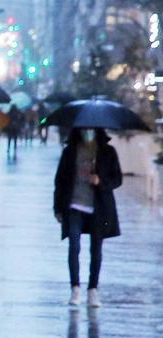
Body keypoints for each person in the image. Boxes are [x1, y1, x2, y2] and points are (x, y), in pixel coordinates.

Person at [54, 127, 122, 308]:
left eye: (91, 129)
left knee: (96, 250)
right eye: (84, 129)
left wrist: (100, 181)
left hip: (99, 208)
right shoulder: (70, 151)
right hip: (74, 205)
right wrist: (58, 208)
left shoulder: (108, 152)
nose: (88, 132)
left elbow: (117, 179)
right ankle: (75, 287)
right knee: (74, 245)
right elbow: (60, 180)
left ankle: (93, 289)